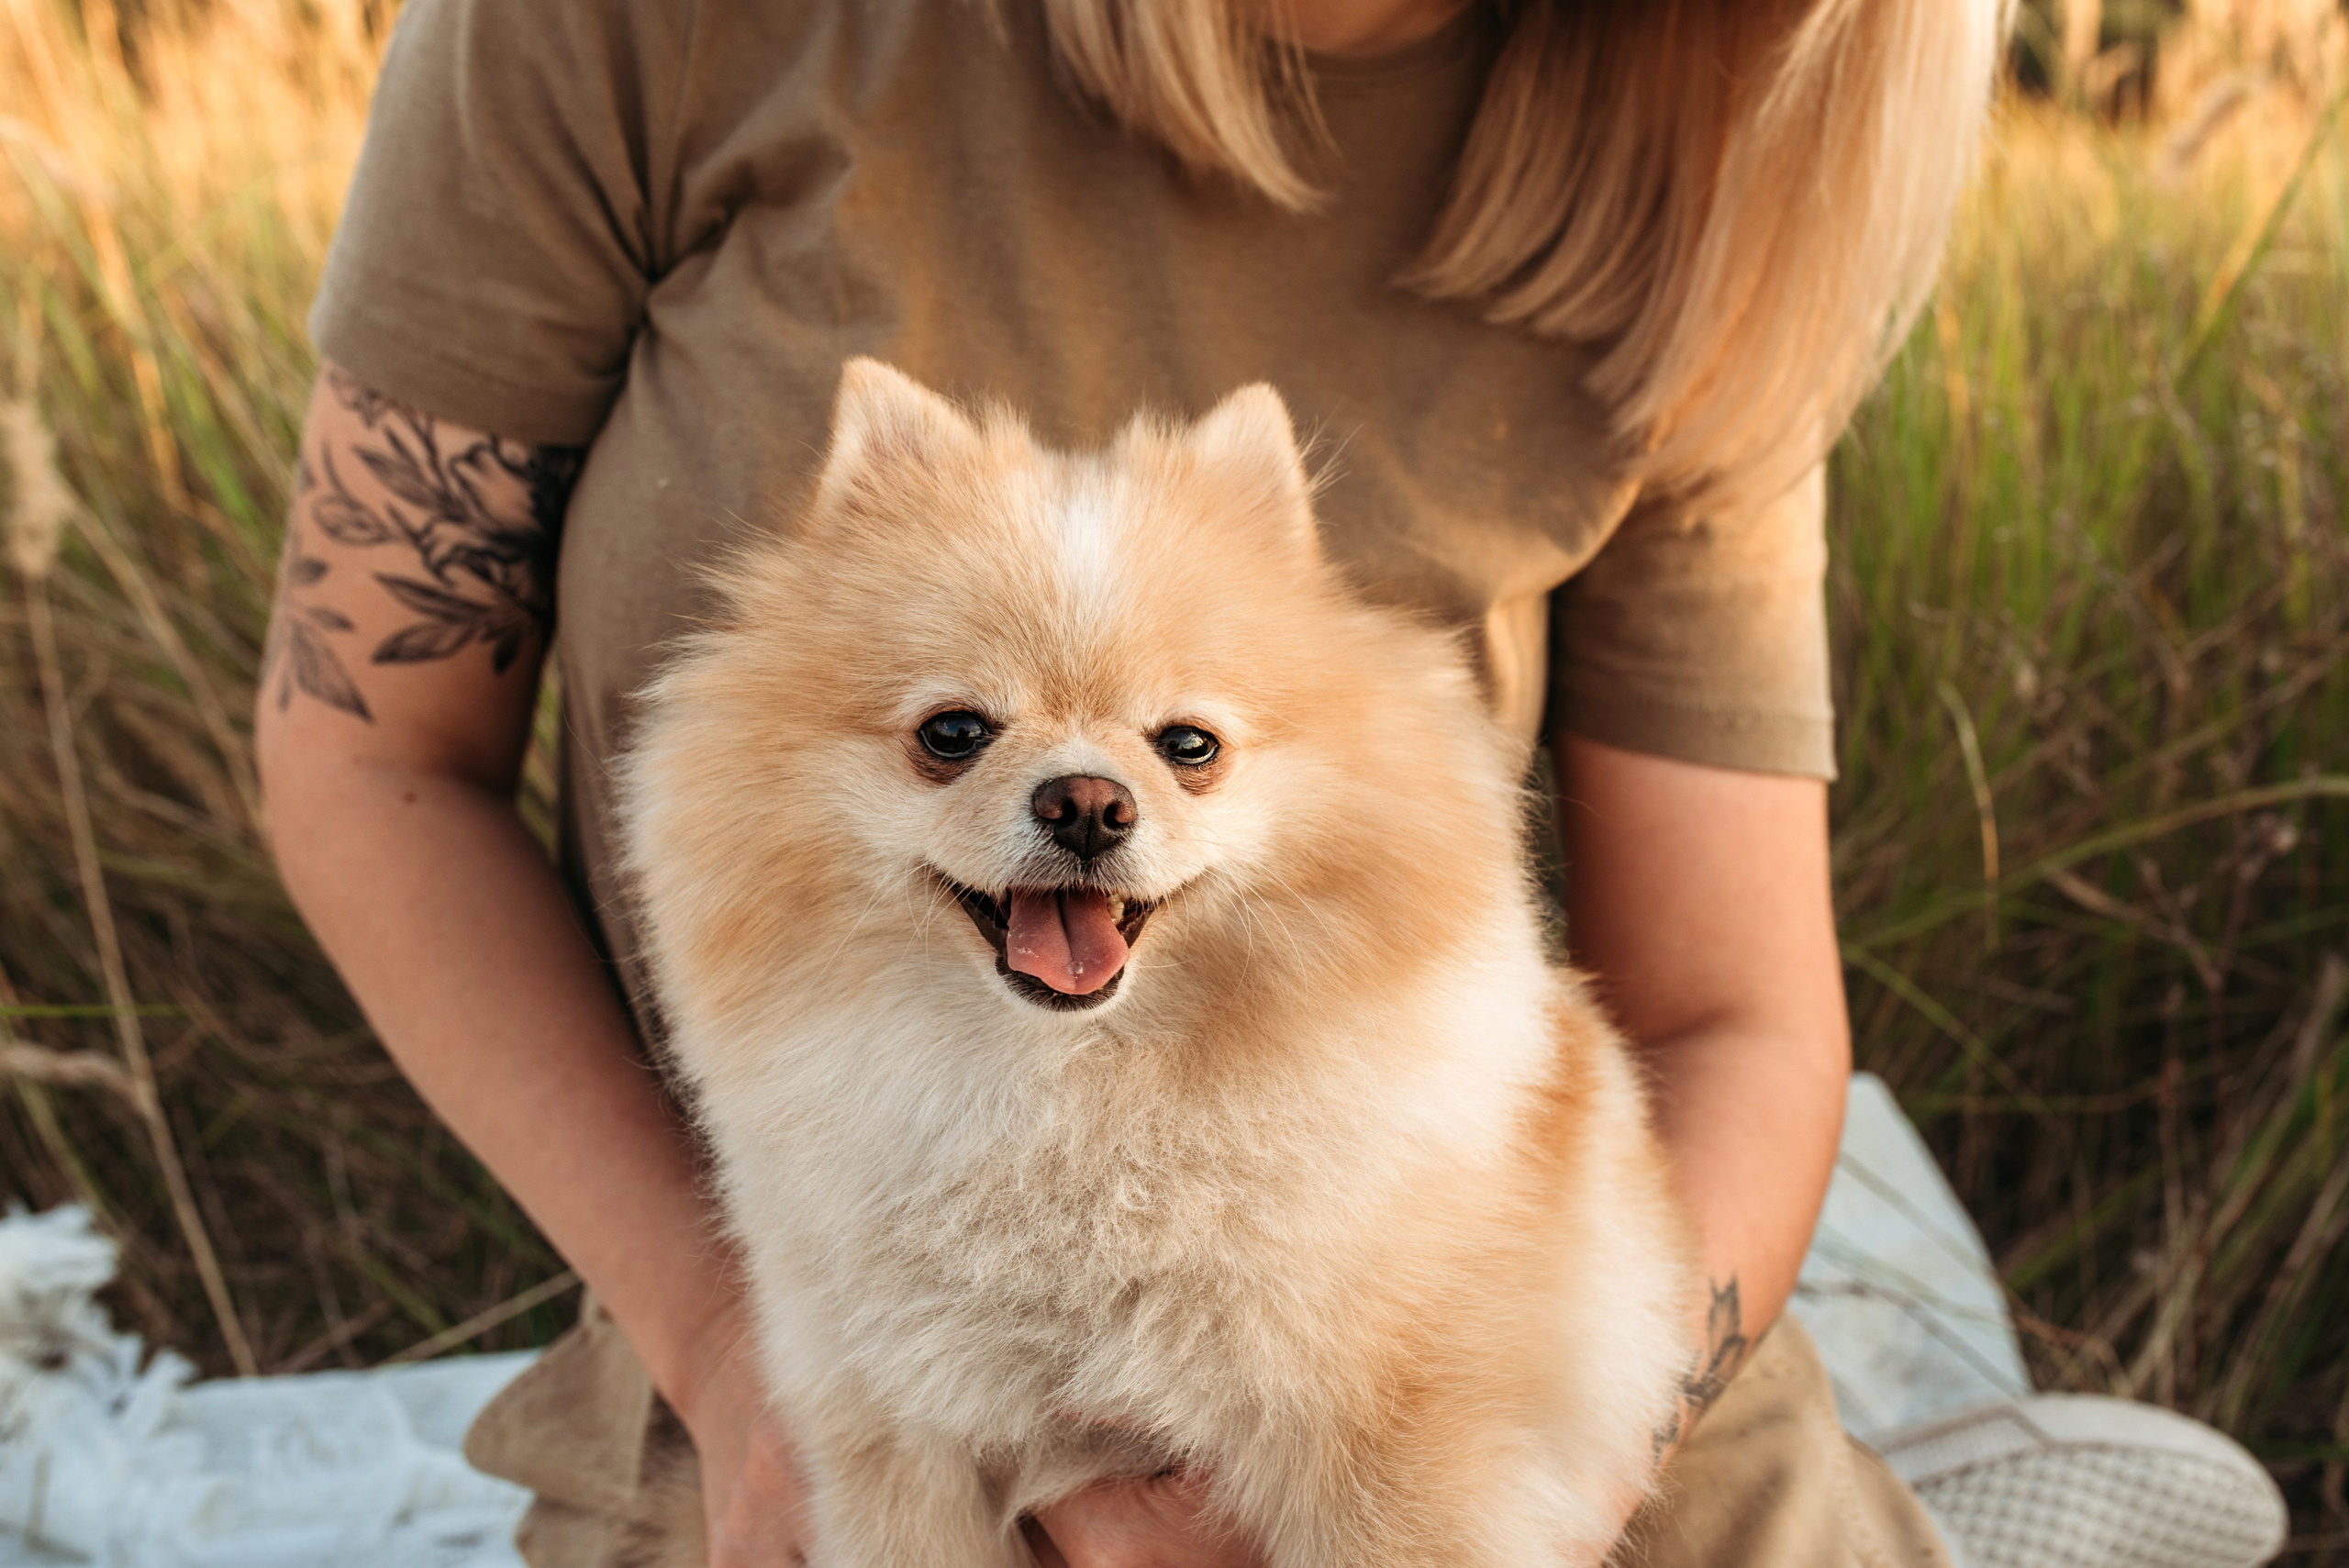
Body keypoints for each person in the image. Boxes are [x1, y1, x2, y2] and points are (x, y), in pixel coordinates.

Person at [255, 1, 2004, 1562]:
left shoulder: (1717, 137)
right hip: (789, 1332)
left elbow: (1732, 1012)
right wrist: (750, 1360)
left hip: (1496, 1338)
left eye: (1180, 749)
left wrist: (1592, 1438)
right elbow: (371, 755)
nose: (1089, 795)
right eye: (957, 733)